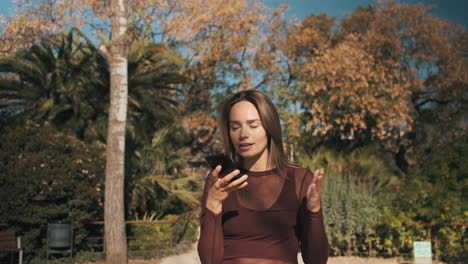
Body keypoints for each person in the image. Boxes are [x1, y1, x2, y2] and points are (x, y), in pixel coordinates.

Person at [197, 90, 330, 264]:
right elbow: (209, 261)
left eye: (253, 125)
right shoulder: (220, 181)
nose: (243, 134)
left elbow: (316, 260)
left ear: (269, 127)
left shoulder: (299, 178)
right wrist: (213, 203)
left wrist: (313, 210)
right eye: (235, 127)